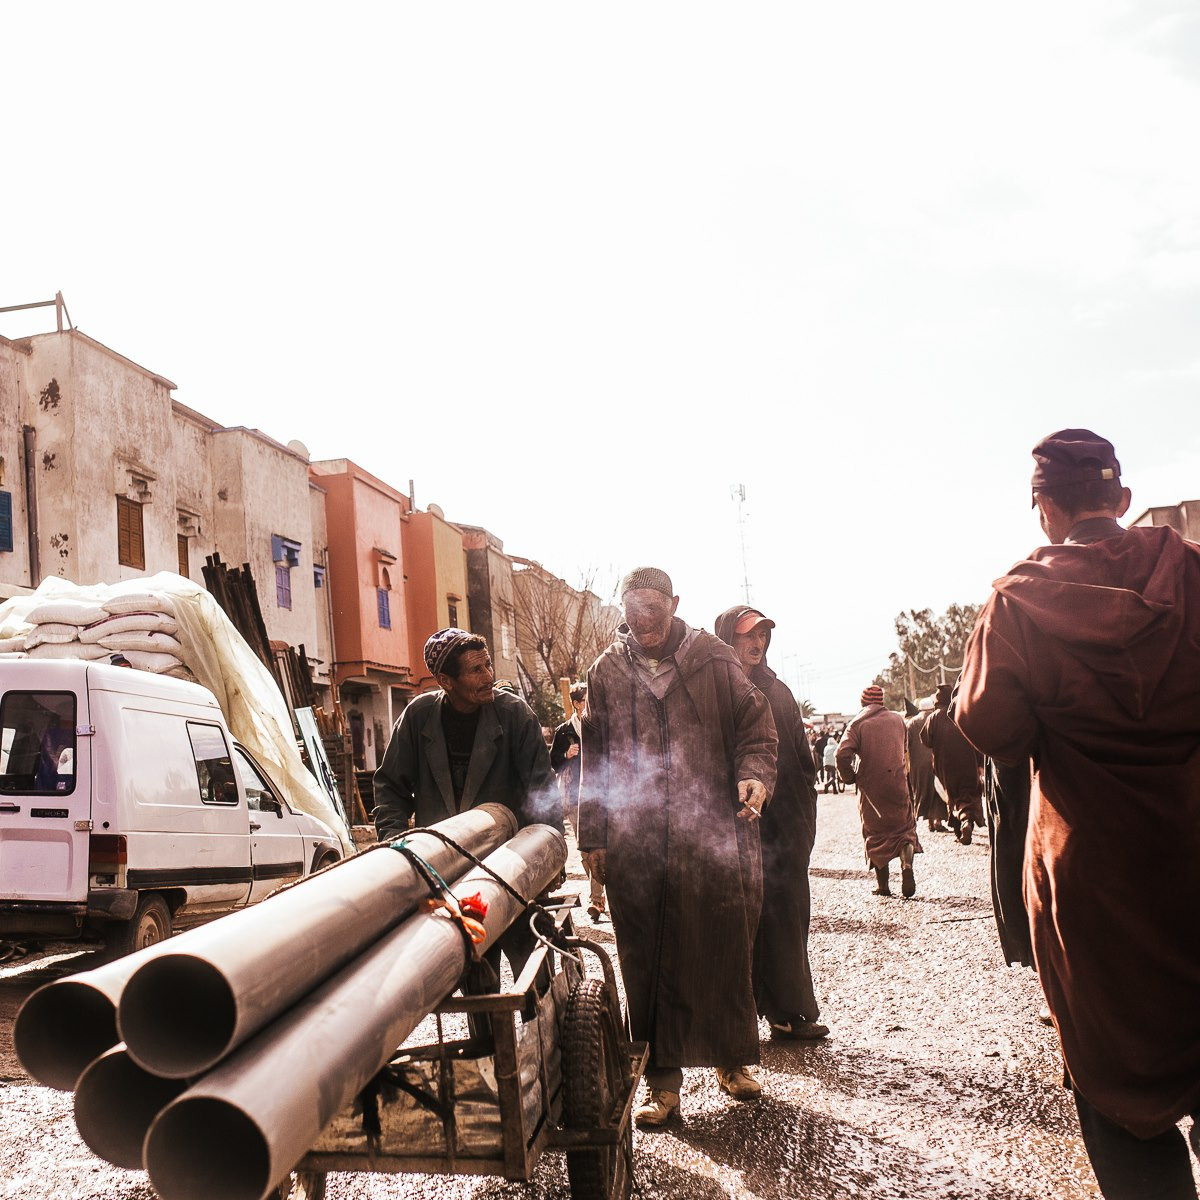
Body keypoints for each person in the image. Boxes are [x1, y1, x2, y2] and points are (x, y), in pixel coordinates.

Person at [956, 429, 1200, 1200]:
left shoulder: (1018, 600)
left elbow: (989, 727)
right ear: (1121, 501)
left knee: (1114, 1077)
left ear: (1044, 509)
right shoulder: (1190, 572)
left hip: (1093, 877)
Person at [577, 567, 777, 1127]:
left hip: (709, 832)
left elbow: (755, 725)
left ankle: (733, 1060)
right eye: (633, 616)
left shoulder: (713, 658)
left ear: (676, 605)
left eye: (654, 615)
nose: (643, 627)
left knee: (722, 943)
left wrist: (754, 773)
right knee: (648, 958)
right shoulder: (606, 673)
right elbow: (595, 759)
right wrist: (593, 835)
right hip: (635, 840)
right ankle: (661, 1083)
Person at [715, 605, 828, 1042]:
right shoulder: (716, 691)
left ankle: (789, 1011)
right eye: (746, 636)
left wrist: (799, 829)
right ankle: (734, 1024)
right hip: (732, 826)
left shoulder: (777, 692)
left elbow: (802, 764)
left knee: (786, 916)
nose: (756, 643)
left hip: (781, 830)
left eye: (762, 635)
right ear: (728, 638)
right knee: (735, 924)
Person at [373, 629, 562, 838]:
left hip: (505, 855)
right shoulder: (417, 717)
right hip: (437, 854)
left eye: (488, 665)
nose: (489, 677)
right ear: (446, 681)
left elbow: (542, 788)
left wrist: (550, 844)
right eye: (476, 670)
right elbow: (390, 787)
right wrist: (394, 842)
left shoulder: (516, 715)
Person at [836, 686, 921, 897]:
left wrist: (849, 777)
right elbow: (904, 750)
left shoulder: (857, 724)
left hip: (872, 789)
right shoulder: (898, 719)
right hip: (898, 783)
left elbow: (841, 754)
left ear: (863, 703)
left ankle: (883, 886)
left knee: (876, 835)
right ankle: (906, 866)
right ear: (881, 701)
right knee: (904, 831)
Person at [551, 683, 606, 922]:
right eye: (585, 700)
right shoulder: (564, 731)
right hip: (575, 797)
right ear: (576, 703)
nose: (589, 704)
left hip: (601, 795)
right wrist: (566, 755)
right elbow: (553, 762)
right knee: (585, 850)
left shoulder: (600, 726)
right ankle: (599, 893)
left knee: (601, 845)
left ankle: (597, 900)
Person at [920, 683, 984, 844]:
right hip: (969, 762)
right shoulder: (962, 711)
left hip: (945, 766)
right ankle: (966, 821)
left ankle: (960, 827)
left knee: (952, 795)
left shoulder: (933, 718)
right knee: (969, 793)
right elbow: (977, 737)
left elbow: (926, 740)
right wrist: (980, 762)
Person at [904, 705, 947, 832]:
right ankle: (938, 820)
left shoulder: (911, 723)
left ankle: (930, 822)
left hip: (918, 765)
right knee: (938, 791)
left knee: (924, 790)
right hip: (937, 761)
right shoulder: (936, 719)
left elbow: (906, 744)